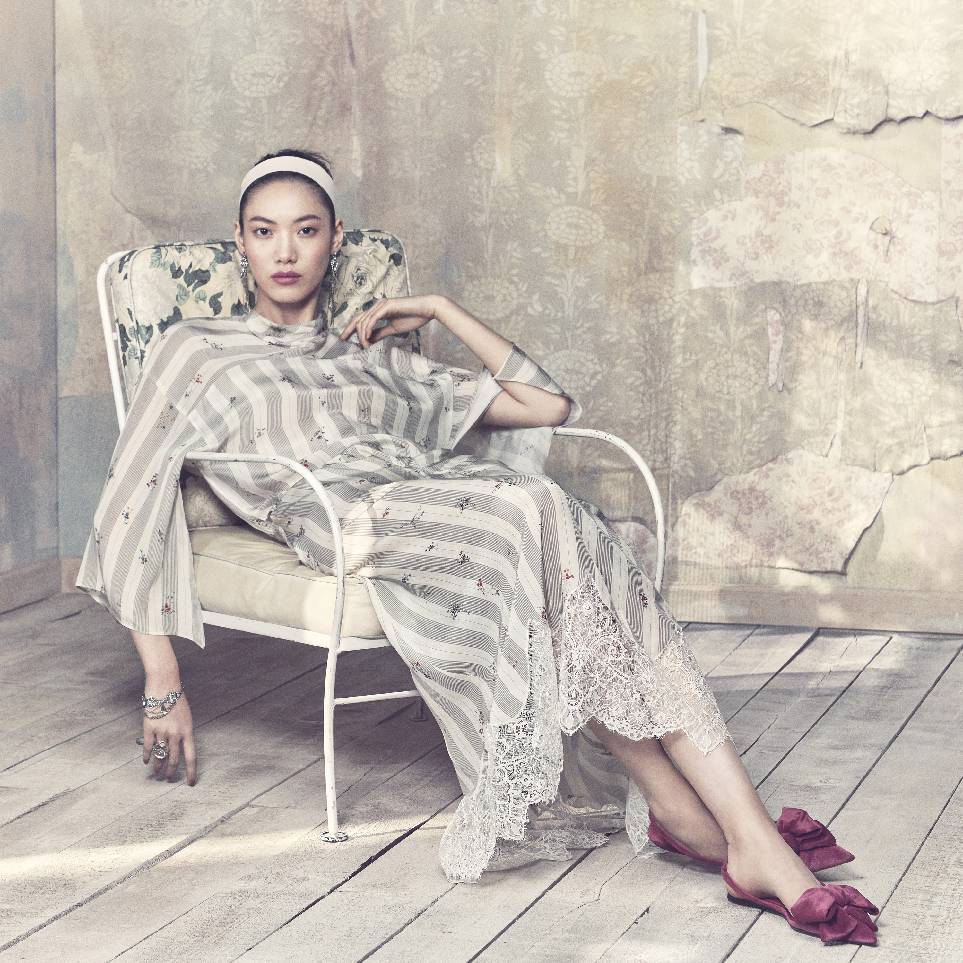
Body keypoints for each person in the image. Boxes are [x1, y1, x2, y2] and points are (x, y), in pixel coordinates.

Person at [76, 149, 879, 946]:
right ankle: (730, 831)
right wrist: (162, 680)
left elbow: (546, 403)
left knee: (551, 523)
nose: (284, 251)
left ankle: (714, 823)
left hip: (453, 499)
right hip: (346, 514)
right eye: (263, 231)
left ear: (335, 238)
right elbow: (130, 498)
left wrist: (441, 308)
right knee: (539, 505)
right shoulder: (195, 350)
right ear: (240, 241)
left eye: (306, 230)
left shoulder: (372, 357)